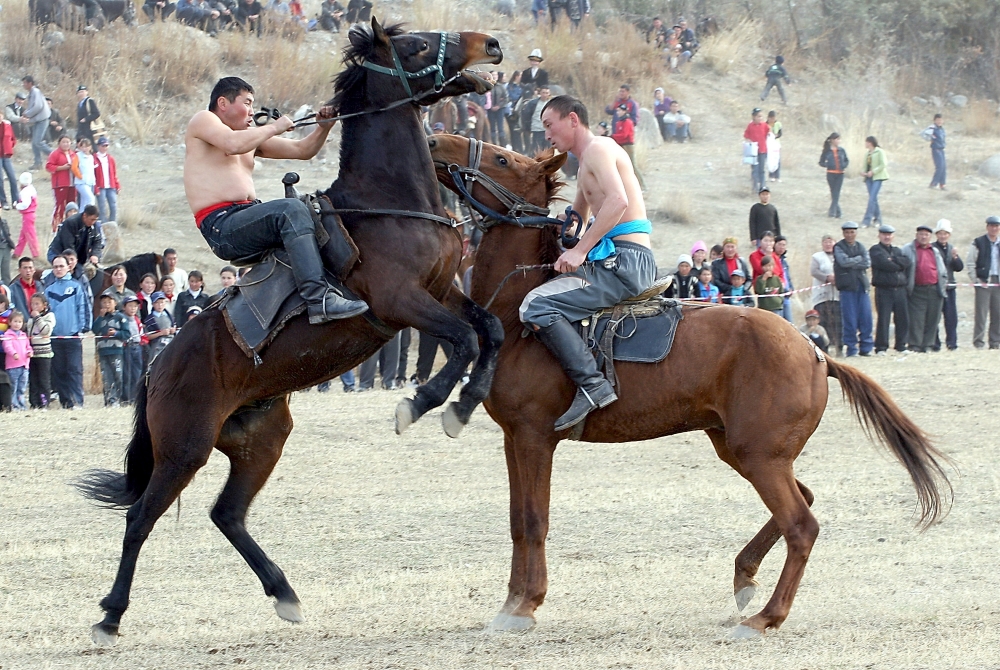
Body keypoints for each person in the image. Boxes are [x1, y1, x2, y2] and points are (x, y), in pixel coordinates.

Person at [521, 95, 656, 431]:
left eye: (550, 126)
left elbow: (617, 202)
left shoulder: (598, 149)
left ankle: (594, 385)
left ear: (572, 120)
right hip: (620, 259)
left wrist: (580, 251)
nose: (547, 136)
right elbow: (578, 220)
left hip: (625, 262)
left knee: (534, 306)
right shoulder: (585, 165)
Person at [185, 77, 365, 324]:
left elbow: (303, 151)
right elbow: (231, 144)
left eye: (252, 104)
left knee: (313, 209)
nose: (251, 111)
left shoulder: (248, 137)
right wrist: (274, 126)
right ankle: (318, 299)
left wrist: (324, 127)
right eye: (247, 103)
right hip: (222, 225)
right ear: (223, 103)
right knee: (290, 210)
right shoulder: (205, 121)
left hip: (247, 215)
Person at [45, 254, 89, 409]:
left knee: (74, 370)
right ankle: (66, 403)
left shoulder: (76, 287)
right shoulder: (49, 290)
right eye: (55, 266)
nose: (58, 269)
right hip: (55, 338)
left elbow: (82, 308)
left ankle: (78, 401)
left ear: (68, 267)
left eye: (61, 266)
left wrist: (82, 329)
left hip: (73, 337)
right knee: (59, 371)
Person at [901, 224, 947, 353]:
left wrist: (943, 283)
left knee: (933, 318)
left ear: (930, 237)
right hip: (917, 289)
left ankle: (928, 345)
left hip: (934, 289)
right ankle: (915, 345)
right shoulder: (908, 249)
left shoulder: (935, 250)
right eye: (921, 234)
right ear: (916, 235)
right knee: (917, 319)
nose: (923, 237)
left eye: (926, 235)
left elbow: (942, 270)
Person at [868, 224, 910, 354]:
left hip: (900, 289)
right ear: (879, 235)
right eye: (884, 234)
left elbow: (907, 262)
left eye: (889, 234)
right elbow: (884, 264)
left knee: (903, 318)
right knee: (883, 319)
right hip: (884, 289)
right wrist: (898, 264)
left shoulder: (897, 251)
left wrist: (895, 260)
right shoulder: (875, 250)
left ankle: (901, 345)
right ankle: (881, 347)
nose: (887, 237)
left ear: (893, 236)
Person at [834, 221, 873, 357]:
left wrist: (852, 262)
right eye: (847, 232)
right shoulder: (838, 247)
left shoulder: (861, 246)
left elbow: (867, 262)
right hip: (847, 288)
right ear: (843, 233)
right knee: (850, 319)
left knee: (866, 318)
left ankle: (866, 348)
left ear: (856, 233)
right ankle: (851, 348)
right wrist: (858, 260)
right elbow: (843, 262)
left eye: (852, 232)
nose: (850, 235)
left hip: (862, 286)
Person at [966, 215, 1000, 349]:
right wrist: (976, 280)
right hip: (983, 280)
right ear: (987, 227)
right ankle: (978, 342)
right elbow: (970, 262)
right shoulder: (978, 242)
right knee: (981, 314)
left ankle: (995, 342)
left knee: (998, 314)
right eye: (992, 226)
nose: (994, 228)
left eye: (996, 226)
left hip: (998, 281)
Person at [931, 219, 963, 351]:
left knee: (951, 318)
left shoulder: (951, 248)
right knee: (935, 317)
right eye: (940, 233)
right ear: (937, 234)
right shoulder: (931, 248)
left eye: (945, 233)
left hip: (950, 288)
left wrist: (956, 257)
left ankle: (952, 343)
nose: (943, 236)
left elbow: (959, 268)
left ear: (949, 235)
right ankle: (935, 344)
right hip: (936, 288)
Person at [93, 294, 129, 406]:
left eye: (109, 302)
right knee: (106, 377)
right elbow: (94, 329)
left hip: (116, 351)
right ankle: (109, 400)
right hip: (103, 351)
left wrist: (116, 333)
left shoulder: (120, 317)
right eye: (104, 302)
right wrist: (100, 317)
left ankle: (118, 399)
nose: (106, 305)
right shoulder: (100, 317)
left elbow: (127, 334)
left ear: (115, 303)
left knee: (118, 375)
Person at [45, 135, 81, 232]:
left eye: (68, 142)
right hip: (60, 183)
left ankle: (71, 226)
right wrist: (62, 167)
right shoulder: (55, 154)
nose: (66, 144)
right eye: (63, 142)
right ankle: (56, 226)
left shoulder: (73, 154)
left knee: (72, 205)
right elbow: (49, 167)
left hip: (72, 183)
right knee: (60, 205)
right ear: (59, 143)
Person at [27, 293, 54, 409]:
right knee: (33, 380)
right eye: (32, 304)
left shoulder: (49, 316)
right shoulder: (30, 319)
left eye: (37, 304)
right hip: (32, 353)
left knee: (44, 380)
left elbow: (46, 331)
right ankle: (34, 403)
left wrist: (37, 317)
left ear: (44, 305)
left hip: (44, 354)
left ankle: (44, 403)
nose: (34, 306)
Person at [610, 102, 646, 191]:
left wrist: (613, 137)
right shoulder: (619, 122)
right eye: (617, 110)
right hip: (620, 145)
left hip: (628, 146)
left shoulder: (628, 122)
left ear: (624, 112)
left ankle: (642, 186)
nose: (618, 112)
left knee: (632, 166)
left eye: (620, 111)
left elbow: (624, 135)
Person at [20, 76, 52, 171]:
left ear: (30, 83)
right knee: (34, 142)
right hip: (37, 119)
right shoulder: (32, 93)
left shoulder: (36, 92)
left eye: (25, 83)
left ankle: (55, 155)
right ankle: (37, 163)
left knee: (37, 141)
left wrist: (27, 113)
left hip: (42, 119)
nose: (23, 85)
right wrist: (27, 113)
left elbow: (38, 106)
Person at [1, 309, 31, 409]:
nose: (17, 324)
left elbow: (28, 346)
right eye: (15, 321)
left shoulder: (23, 335)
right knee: (13, 386)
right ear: (10, 322)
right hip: (13, 366)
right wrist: (13, 353)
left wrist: (30, 352)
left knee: (22, 387)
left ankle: (21, 404)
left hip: (24, 365)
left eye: (19, 322)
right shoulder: (7, 335)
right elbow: (7, 346)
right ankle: (13, 405)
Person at [120, 295, 146, 404]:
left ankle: (135, 397)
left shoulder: (137, 320)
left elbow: (141, 333)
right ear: (124, 307)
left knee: (137, 373)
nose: (133, 308)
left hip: (137, 347)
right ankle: (126, 397)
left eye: (135, 306)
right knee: (127, 373)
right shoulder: (121, 318)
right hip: (127, 347)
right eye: (130, 306)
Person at [860, 136, 888, 228]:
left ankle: (866, 221)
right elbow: (865, 165)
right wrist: (863, 172)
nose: (865, 144)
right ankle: (878, 219)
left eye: (866, 142)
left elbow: (883, 164)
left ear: (870, 143)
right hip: (868, 178)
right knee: (873, 199)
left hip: (877, 177)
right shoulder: (867, 154)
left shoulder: (879, 151)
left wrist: (874, 171)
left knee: (872, 198)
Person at [819, 133, 848, 218]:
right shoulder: (827, 151)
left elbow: (846, 160)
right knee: (833, 193)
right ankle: (838, 213)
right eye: (836, 139)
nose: (838, 141)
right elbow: (821, 162)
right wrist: (827, 165)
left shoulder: (842, 150)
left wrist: (844, 165)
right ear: (832, 140)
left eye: (839, 139)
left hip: (840, 174)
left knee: (836, 193)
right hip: (831, 173)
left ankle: (832, 212)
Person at [94, 137, 120, 223]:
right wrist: (95, 187)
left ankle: (113, 223)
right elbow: (92, 174)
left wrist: (117, 184)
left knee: (113, 205)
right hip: (100, 186)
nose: (105, 147)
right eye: (103, 145)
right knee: (102, 207)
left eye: (106, 145)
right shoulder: (94, 158)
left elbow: (114, 173)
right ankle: (103, 224)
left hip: (110, 186)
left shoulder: (111, 158)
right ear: (98, 146)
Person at [144, 290, 176, 360]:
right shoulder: (150, 319)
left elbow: (175, 327)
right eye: (157, 303)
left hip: (171, 343)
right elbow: (147, 336)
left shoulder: (169, 316)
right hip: (157, 346)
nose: (160, 305)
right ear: (152, 304)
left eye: (162, 302)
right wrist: (161, 333)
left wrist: (173, 330)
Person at [13, 173, 38, 259]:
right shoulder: (31, 189)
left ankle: (36, 253)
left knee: (30, 235)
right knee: (24, 235)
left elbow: (25, 204)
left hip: (27, 215)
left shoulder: (25, 192)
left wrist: (17, 206)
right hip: (30, 215)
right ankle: (17, 252)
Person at [521, 86, 552, 156]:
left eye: (547, 93)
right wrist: (527, 128)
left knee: (548, 151)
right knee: (536, 151)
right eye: (543, 93)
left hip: (548, 130)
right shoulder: (533, 103)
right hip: (537, 129)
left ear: (549, 94)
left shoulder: (552, 104)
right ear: (540, 93)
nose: (545, 95)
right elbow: (526, 116)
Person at [743, 108, 768, 194]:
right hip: (753, 152)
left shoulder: (764, 125)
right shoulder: (750, 126)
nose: (760, 118)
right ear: (753, 117)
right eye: (758, 116)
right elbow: (746, 135)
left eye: (761, 116)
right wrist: (749, 141)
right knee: (754, 170)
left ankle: (762, 186)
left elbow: (767, 133)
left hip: (762, 150)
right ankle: (755, 188)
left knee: (762, 170)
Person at [0, 113, 18, 210]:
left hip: (6, 155)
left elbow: (13, 138)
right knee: (0, 180)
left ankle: (15, 201)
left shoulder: (7, 125)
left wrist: (10, 146)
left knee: (13, 178)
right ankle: (3, 201)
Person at [774, 235, 794, 322]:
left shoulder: (784, 262)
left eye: (784, 245)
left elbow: (788, 277)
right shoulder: (772, 260)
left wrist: (791, 288)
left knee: (790, 323)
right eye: (779, 244)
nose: (781, 247)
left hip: (787, 297)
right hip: (777, 297)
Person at [74, 138, 97, 209]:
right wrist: (80, 176)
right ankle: (91, 215)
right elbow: (74, 167)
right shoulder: (78, 155)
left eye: (86, 146)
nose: (85, 149)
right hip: (81, 182)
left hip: (90, 182)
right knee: (91, 199)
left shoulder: (91, 157)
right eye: (83, 147)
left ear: (90, 147)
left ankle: (82, 217)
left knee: (84, 203)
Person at [926, 113, 946, 190]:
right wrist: (930, 139)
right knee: (940, 167)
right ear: (934, 120)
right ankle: (933, 184)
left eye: (941, 120)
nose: (939, 122)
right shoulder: (932, 128)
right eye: (938, 120)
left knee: (944, 167)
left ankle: (942, 184)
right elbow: (924, 134)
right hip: (936, 149)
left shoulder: (941, 129)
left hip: (941, 149)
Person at [766, 110, 782, 181]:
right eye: (771, 118)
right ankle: (771, 176)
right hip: (769, 144)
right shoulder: (765, 124)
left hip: (776, 144)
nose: (772, 120)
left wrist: (775, 136)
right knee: (770, 160)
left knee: (777, 159)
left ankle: (777, 176)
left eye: (774, 118)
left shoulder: (778, 124)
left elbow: (780, 133)